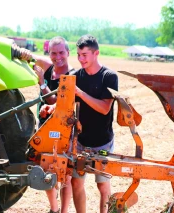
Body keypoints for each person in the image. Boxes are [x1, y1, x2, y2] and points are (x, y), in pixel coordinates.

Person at [39, 34, 118, 213]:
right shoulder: (74, 76)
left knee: (103, 185)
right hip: (79, 142)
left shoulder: (109, 77)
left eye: (85, 55)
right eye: (79, 55)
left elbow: (105, 108)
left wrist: (80, 94)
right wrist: (50, 109)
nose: (81, 59)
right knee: (76, 183)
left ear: (96, 53)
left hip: (102, 142)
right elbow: (63, 104)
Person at [20, 36, 75, 213]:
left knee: (65, 174)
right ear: (49, 53)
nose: (57, 57)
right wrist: (19, 51)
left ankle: (64, 210)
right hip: (45, 128)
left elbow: (56, 101)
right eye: (53, 53)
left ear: (68, 52)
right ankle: (54, 209)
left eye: (61, 52)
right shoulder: (49, 68)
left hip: (64, 130)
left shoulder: (72, 75)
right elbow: (30, 57)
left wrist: (42, 82)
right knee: (46, 169)